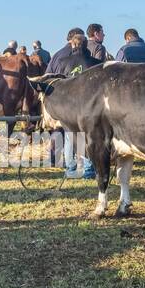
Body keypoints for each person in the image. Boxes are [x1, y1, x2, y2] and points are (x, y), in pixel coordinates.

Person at [47, 28, 101, 178]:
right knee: (88, 136)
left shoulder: (63, 63)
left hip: (69, 106)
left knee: (71, 136)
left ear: (73, 46)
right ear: (86, 46)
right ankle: (89, 169)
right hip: (89, 105)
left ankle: (71, 168)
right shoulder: (96, 63)